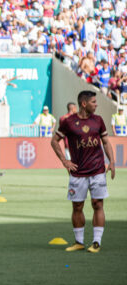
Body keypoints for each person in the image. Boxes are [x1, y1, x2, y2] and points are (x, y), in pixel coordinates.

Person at [51, 90, 116, 253]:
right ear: (84, 104)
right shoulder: (69, 122)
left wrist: (112, 161)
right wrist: (64, 161)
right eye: (94, 102)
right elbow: (54, 141)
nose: (96, 105)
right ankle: (79, 242)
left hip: (98, 170)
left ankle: (96, 242)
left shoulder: (98, 120)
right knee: (77, 206)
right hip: (78, 172)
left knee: (98, 204)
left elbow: (106, 142)